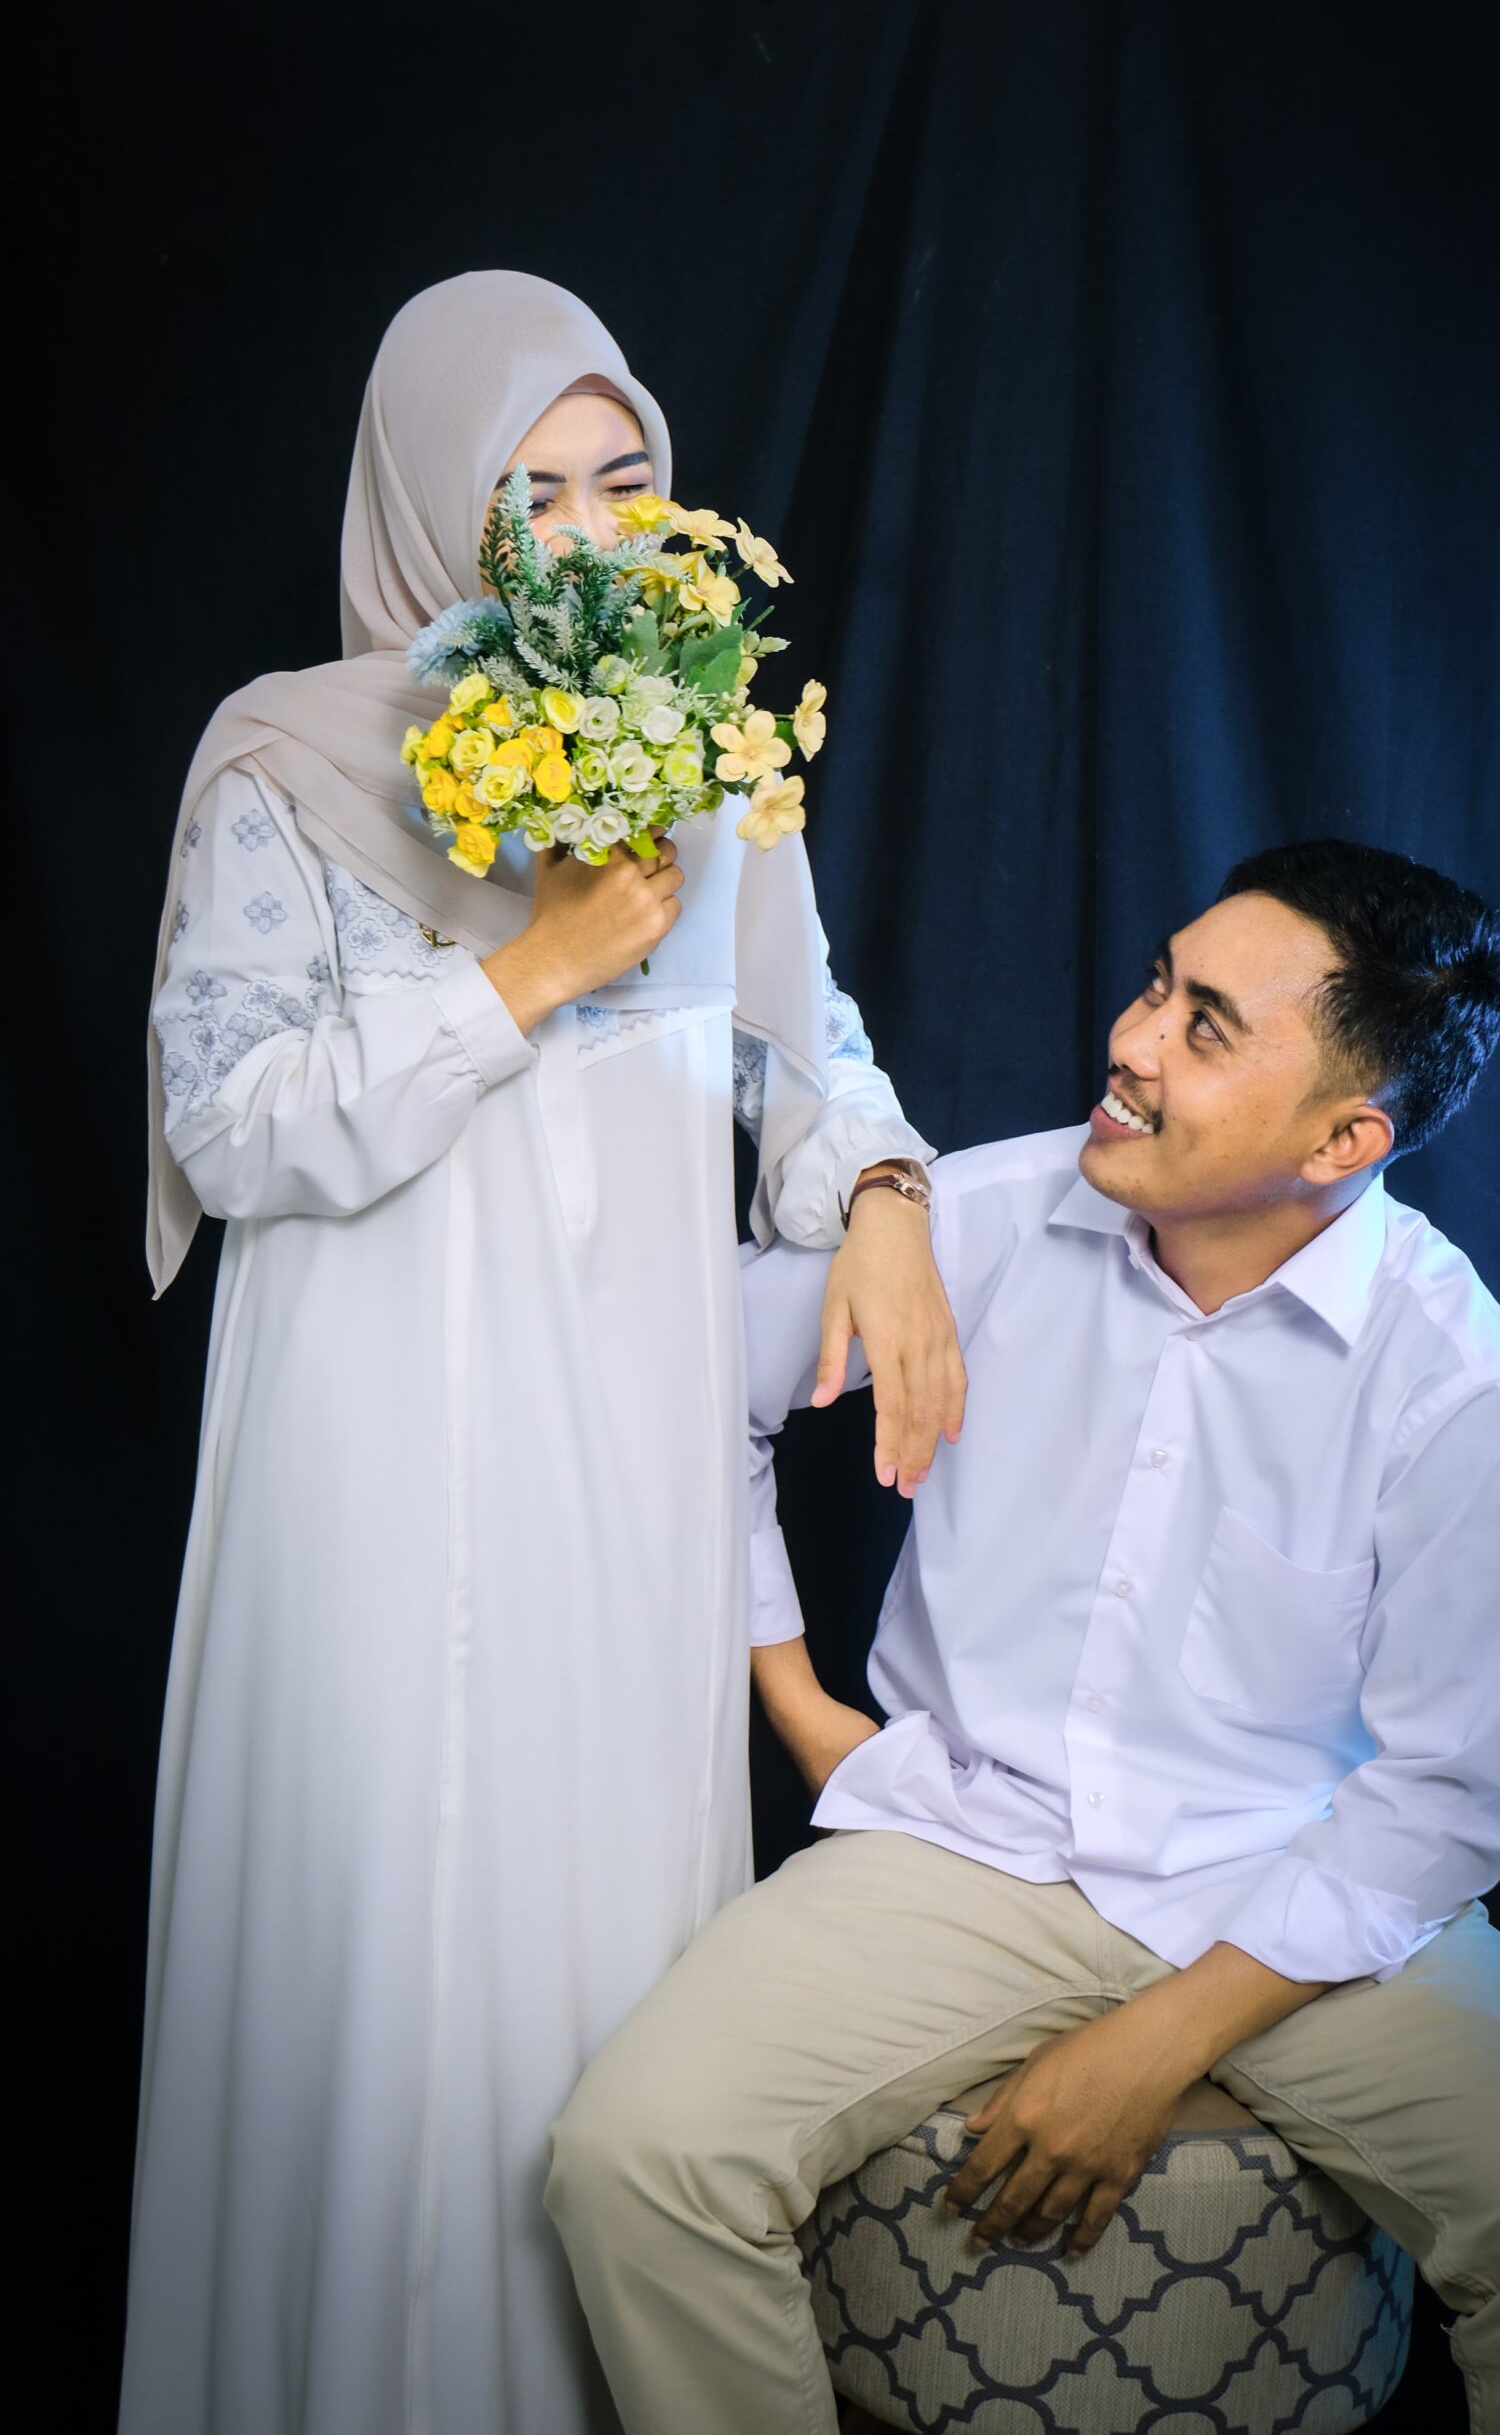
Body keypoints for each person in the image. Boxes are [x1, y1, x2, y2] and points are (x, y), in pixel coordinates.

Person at [548, 839, 1500, 2435]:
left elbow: (1436, 1804)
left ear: (1345, 1138)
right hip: (969, 1839)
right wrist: (794, 1696)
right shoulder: (981, 1213)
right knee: (635, 2158)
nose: (1131, 1039)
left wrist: (1155, 2043)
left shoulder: (1460, 1395)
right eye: (1158, 984)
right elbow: (682, 1383)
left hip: (1291, 1886)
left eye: (1205, 1026)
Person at [123, 270, 964, 2435]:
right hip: (371, 1440)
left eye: (624, 483)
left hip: (616, 1452)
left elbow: (803, 1052)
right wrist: (531, 968)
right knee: (380, 1937)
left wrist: (882, 1191)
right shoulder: (286, 759)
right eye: (532, 493)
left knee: (584, 1954)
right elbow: (230, 1121)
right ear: (428, 502)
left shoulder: (706, 750)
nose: (586, 535)